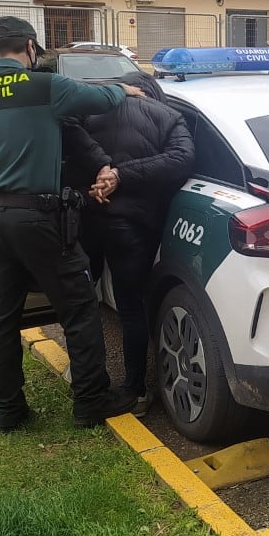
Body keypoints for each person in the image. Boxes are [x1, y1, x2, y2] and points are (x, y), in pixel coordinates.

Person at [0, 16, 145, 433]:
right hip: (39, 218)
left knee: (2, 318)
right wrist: (125, 89)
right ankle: (90, 403)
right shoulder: (44, 87)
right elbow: (96, 100)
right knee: (79, 310)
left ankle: (8, 411)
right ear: (29, 46)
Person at [62, 71, 195, 411]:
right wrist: (121, 175)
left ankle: (84, 377)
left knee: (81, 301)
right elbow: (182, 159)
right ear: (152, 93)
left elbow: (63, 138)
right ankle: (135, 388)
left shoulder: (84, 112)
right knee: (130, 307)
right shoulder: (168, 116)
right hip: (134, 226)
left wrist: (101, 177)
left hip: (86, 215)